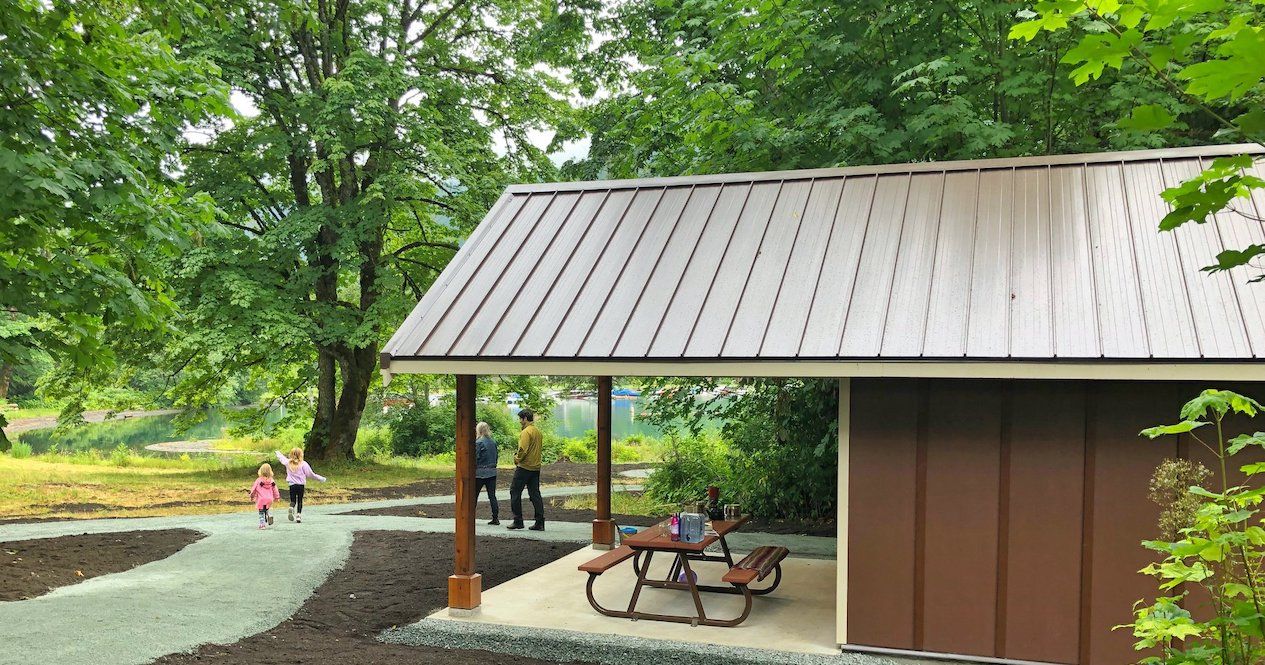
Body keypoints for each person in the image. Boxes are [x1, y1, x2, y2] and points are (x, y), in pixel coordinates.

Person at [507, 408, 544, 531]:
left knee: (514, 492)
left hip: (524, 467)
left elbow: (523, 449)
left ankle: (518, 520)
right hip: (536, 467)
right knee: (535, 494)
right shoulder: (537, 432)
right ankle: (540, 522)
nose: (519, 421)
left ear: (525, 418)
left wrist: (517, 459)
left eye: (520, 419)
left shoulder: (526, 432)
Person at [275, 447, 327, 523]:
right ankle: (298, 516)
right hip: (300, 485)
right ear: (301, 455)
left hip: (292, 485)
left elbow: (282, 459)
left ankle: (291, 507)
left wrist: (277, 453)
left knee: (293, 500)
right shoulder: (303, 464)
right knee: (300, 500)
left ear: (291, 454)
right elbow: (310, 474)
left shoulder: (288, 462)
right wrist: (321, 479)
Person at [474, 421, 500, 525]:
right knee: (492, 496)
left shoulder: (478, 443)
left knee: (474, 496)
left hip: (479, 473)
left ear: (478, 430)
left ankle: (470, 516)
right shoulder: (493, 442)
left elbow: (475, 458)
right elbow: (496, 457)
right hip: (492, 472)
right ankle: (495, 517)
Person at [249, 463, 281, 530]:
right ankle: (269, 514)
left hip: (261, 499)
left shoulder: (258, 480)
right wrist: (277, 497)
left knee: (261, 512)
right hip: (269, 499)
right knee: (267, 508)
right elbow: (275, 489)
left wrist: (252, 496)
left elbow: (254, 489)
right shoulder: (271, 481)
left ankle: (262, 525)